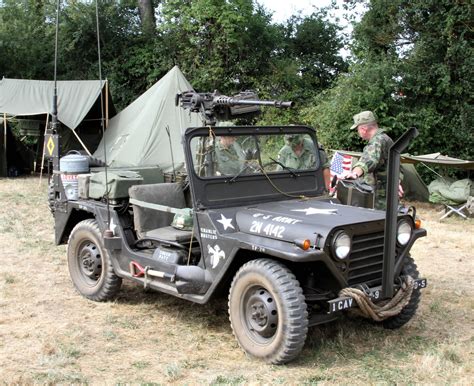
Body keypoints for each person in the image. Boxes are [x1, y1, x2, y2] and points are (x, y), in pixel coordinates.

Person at [346, 110, 397, 209]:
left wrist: (355, 173)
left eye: (358, 129)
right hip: (386, 192)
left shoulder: (377, 141)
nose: (358, 132)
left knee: (378, 221)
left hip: (380, 196)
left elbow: (369, 159)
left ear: (364, 129)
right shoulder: (385, 138)